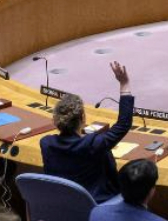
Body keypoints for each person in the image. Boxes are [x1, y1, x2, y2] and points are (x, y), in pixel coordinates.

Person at [40, 61, 133, 203]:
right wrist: (124, 84)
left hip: (64, 205)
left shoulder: (46, 143)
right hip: (98, 205)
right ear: (83, 118)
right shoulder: (93, 144)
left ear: (56, 120)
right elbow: (123, 124)